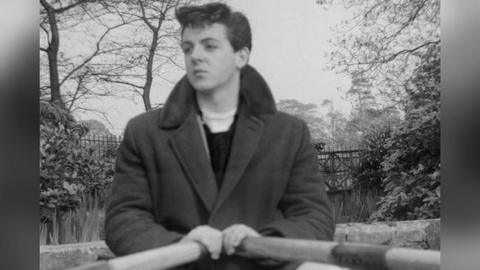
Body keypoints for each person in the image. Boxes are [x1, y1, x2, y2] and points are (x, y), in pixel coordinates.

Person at [105, 2, 334, 269]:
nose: (195, 56)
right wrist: (181, 245)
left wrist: (264, 241)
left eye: (209, 46)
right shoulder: (144, 133)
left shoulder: (289, 133)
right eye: (188, 48)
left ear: (241, 56)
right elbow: (124, 218)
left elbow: (315, 217)